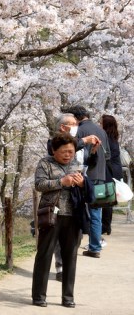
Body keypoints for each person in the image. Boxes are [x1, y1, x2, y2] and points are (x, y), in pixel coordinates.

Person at [32, 133, 90, 308]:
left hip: (73, 216)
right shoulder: (45, 163)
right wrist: (61, 182)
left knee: (70, 257)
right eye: (64, 151)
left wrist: (82, 184)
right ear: (54, 150)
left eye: (71, 151)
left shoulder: (76, 164)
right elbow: (39, 185)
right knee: (44, 255)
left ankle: (68, 297)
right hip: (51, 215)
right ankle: (39, 296)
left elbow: (85, 187)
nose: (68, 155)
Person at [46, 113, 100, 281]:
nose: (77, 126)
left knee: (75, 235)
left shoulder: (80, 142)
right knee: (57, 232)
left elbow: (88, 164)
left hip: (77, 194)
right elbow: (52, 150)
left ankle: (69, 264)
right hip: (58, 195)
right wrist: (84, 142)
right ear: (63, 127)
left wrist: (93, 152)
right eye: (73, 124)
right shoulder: (54, 141)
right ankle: (60, 266)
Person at [65, 105, 110, 258]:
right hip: (100, 175)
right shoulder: (102, 131)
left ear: (76, 118)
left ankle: (72, 242)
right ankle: (95, 247)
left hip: (82, 176)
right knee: (96, 212)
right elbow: (108, 154)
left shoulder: (78, 131)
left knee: (75, 208)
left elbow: (69, 150)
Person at [100, 114, 122, 235]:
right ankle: (106, 226)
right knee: (108, 199)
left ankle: (105, 227)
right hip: (115, 170)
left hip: (109, 170)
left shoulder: (105, 138)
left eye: (101, 122)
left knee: (106, 199)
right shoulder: (113, 137)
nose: (99, 124)